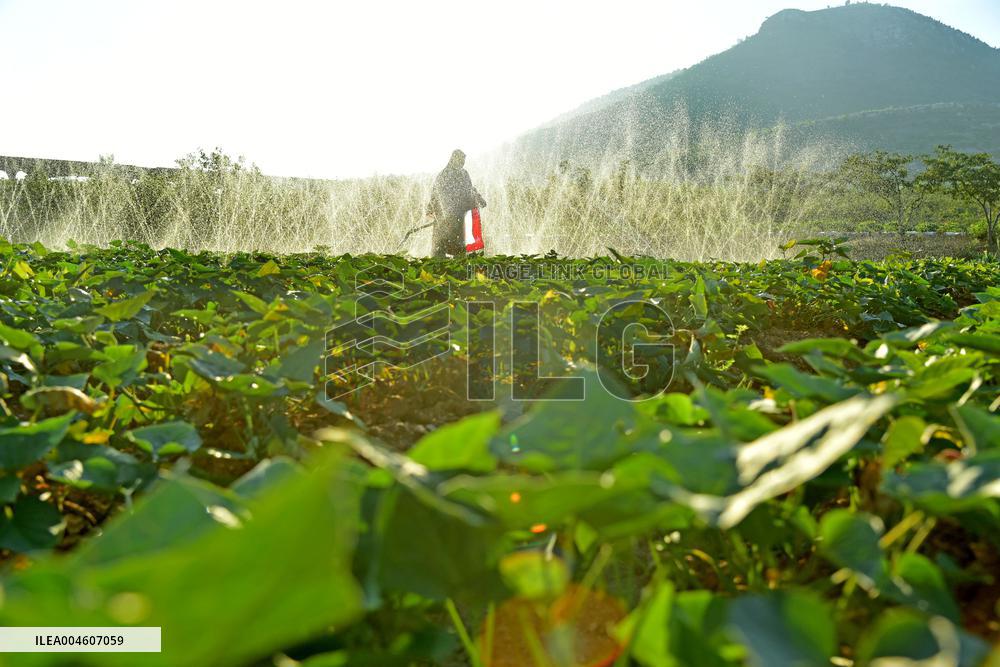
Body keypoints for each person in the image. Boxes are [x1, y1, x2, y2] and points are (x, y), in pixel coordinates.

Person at [426, 149, 486, 258]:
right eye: (461, 160)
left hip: (451, 217)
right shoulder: (451, 174)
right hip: (450, 218)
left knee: (449, 246)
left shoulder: (454, 174)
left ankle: (445, 263)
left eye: (464, 160)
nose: (463, 163)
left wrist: (479, 199)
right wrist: (479, 200)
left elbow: (469, 190)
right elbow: (436, 193)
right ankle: (449, 264)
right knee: (449, 246)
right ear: (454, 159)